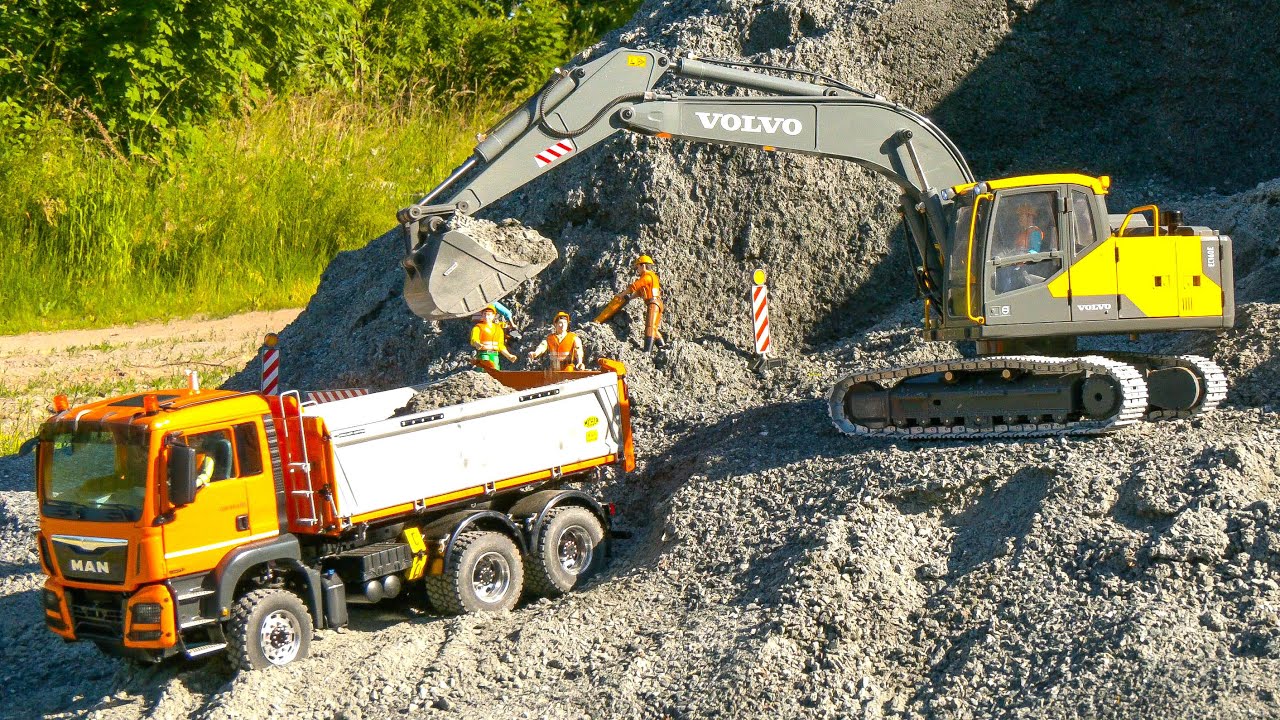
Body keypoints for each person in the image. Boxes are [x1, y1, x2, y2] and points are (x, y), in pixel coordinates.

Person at [596, 254, 667, 351]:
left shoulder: (648, 276)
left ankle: (647, 351)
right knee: (653, 327)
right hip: (656, 303)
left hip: (653, 304)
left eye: (638, 266)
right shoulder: (652, 277)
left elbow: (635, 286)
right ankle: (663, 348)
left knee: (650, 326)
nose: (637, 269)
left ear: (643, 266)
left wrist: (621, 294)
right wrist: (629, 298)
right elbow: (639, 292)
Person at [470, 304, 518, 370]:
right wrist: (476, 343)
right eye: (484, 314)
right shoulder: (478, 327)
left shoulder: (498, 328)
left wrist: (509, 356)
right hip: (484, 354)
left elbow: (500, 346)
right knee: (485, 369)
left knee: (496, 370)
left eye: (489, 315)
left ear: (493, 316)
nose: (486, 317)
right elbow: (474, 338)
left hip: (495, 355)